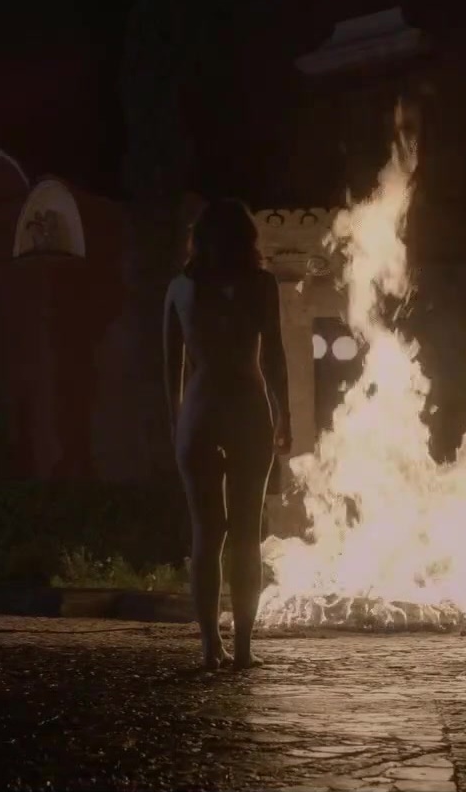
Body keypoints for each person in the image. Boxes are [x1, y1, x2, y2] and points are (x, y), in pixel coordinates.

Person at [162, 199, 291, 671]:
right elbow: (273, 354)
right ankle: (243, 648)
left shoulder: (180, 288)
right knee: (245, 534)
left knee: (206, 532)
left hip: (198, 412)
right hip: (247, 410)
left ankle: (209, 647)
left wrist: (175, 423)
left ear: (198, 239)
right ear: (246, 238)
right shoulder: (261, 284)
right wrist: (285, 415)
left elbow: (171, 367)